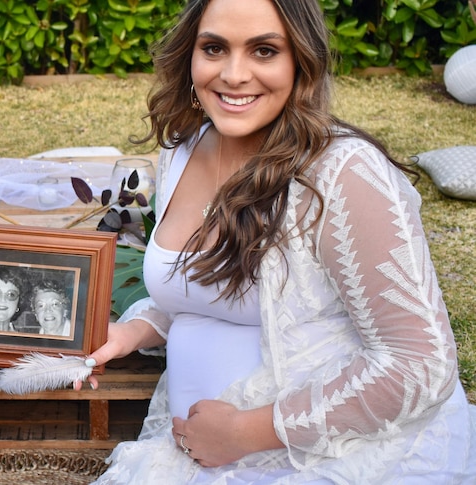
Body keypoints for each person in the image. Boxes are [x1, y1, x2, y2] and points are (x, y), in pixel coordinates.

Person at [82, 0, 476, 483]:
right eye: (214, 48)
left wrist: (249, 431)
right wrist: (133, 331)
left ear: (301, 62)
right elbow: (203, 287)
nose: (233, 73)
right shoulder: (183, 151)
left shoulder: (342, 173)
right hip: (189, 448)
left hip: (333, 460)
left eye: (264, 50)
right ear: (190, 55)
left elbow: (419, 367)